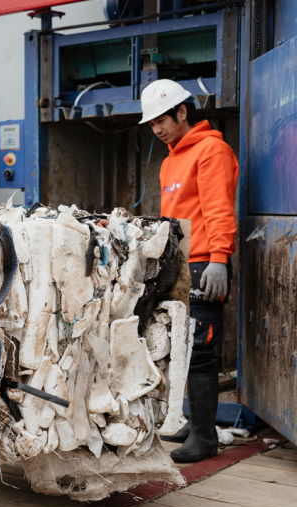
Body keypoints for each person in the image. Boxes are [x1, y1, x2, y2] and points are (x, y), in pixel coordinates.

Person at [139, 79, 238, 463]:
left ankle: (204, 438)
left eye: (161, 119)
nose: (157, 128)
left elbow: (218, 210)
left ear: (182, 111)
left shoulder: (212, 150)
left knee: (201, 348)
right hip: (179, 262)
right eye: (151, 124)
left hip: (203, 263)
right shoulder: (170, 159)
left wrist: (219, 258)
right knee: (181, 345)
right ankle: (196, 423)